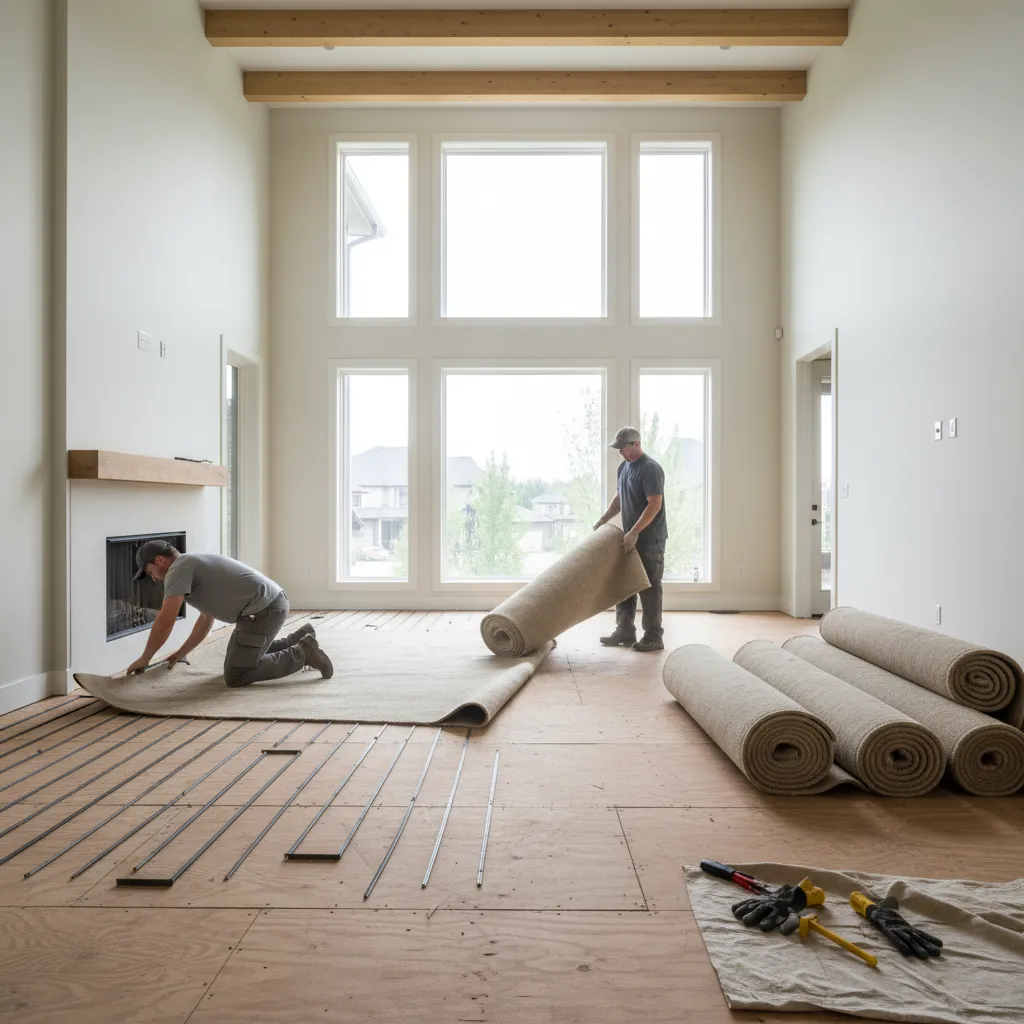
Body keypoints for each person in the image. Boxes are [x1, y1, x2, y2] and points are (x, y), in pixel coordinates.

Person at [124, 539, 333, 686]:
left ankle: (303, 653)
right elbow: (206, 618)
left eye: (150, 572)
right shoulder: (189, 563)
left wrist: (145, 658)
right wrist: (182, 652)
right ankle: (296, 639)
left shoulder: (178, 570)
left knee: (236, 674)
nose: (153, 578)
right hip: (267, 606)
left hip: (262, 611)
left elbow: (164, 620)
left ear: (159, 560)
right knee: (240, 659)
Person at [593, 426, 667, 652]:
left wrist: (635, 531)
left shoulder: (650, 469)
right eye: (618, 449)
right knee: (624, 583)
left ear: (636, 444)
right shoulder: (624, 468)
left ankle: (654, 637)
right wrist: (604, 519)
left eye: (623, 448)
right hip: (629, 538)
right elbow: (620, 497)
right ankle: (624, 630)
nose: (620, 453)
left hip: (650, 539)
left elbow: (655, 504)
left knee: (649, 587)